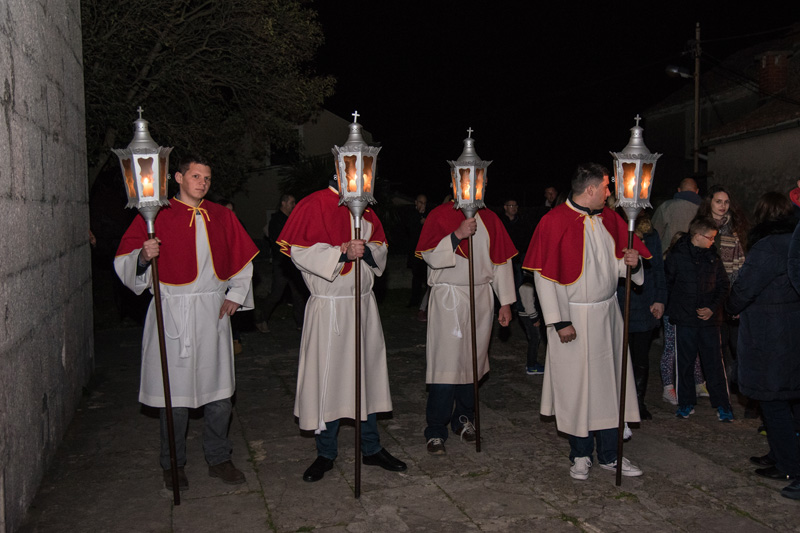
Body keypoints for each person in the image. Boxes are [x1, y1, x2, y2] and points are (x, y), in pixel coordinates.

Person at [115, 155, 259, 490]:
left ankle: (219, 457)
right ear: (178, 177)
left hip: (212, 312)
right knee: (174, 397)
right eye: (196, 176)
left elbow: (242, 262)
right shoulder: (155, 215)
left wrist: (236, 295)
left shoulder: (221, 215)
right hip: (171, 312)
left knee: (220, 395)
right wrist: (142, 256)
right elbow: (125, 262)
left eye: (207, 178)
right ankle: (173, 464)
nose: (202, 183)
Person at [524, 162, 648, 480]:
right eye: (606, 187)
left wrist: (630, 262)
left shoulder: (610, 219)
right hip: (572, 317)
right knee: (577, 389)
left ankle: (609, 456)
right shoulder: (552, 222)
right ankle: (580, 455)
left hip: (607, 315)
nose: (610, 193)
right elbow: (543, 278)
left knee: (609, 386)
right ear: (590, 189)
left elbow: (620, 265)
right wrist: (559, 321)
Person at [277, 179, 407, 482]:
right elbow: (299, 251)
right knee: (328, 379)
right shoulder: (313, 203)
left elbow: (381, 247)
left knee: (367, 377)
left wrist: (366, 250)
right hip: (329, 307)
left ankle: (371, 448)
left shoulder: (365, 205)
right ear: (340, 168)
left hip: (362, 305)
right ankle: (325, 453)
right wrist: (341, 253)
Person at [416, 199, 516, 455]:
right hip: (448, 296)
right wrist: (457, 235)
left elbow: (501, 262)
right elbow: (429, 256)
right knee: (446, 365)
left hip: (481, 297)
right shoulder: (439, 215)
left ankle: (463, 419)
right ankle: (436, 429)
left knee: (473, 363)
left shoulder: (491, 218)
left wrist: (505, 302)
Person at [727, 192, 800, 500]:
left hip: (771, 335)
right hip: (789, 331)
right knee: (787, 397)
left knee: (774, 400)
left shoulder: (769, 246)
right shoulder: (792, 242)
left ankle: (792, 466)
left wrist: (731, 303)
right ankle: (780, 458)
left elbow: (746, 285)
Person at [665, 217, 733, 421]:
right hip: (685, 319)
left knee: (714, 363)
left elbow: (723, 285)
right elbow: (667, 284)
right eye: (710, 238)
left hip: (710, 321)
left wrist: (712, 309)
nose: (713, 241)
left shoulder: (713, 257)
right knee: (684, 363)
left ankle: (723, 405)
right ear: (697, 236)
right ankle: (685, 403)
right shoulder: (677, 256)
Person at [652, 178, 704, 405]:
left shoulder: (666, 208)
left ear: (678, 190)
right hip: (682, 289)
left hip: (669, 278)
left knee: (675, 343)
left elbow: (653, 234)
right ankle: (693, 383)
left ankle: (680, 385)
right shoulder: (702, 209)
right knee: (688, 340)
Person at [615, 211, 666, 420]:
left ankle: (638, 401)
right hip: (619, 300)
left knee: (640, 356)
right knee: (619, 355)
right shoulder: (614, 232)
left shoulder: (651, 235)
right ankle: (618, 401)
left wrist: (660, 299)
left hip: (645, 301)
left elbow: (658, 270)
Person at [696, 185, 748, 391]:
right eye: (718, 201)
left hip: (731, 294)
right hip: (708, 293)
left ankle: (736, 384)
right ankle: (717, 385)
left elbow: (742, 264)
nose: (723, 206)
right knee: (715, 344)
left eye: (726, 202)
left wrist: (738, 297)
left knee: (736, 344)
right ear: (710, 202)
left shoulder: (736, 229)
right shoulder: (700, 227)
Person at [257, 194, 306, 332]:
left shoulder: (290, 219)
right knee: (277, 294)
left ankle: (301, 324)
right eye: (292, 202)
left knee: (298, 295)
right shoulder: (277, 220)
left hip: (292, 262)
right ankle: (261, 319)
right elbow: (280, 242)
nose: (294, 205)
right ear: (283, 203)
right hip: (281, 263)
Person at [652, 177, 702, 249]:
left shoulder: (666, 207)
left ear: (679, 190)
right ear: (697, 191)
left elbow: (655, 233)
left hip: (669, 254)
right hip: (694, 256)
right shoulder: (704, 209)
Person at [406, 194, 429, 312]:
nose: (422, 205)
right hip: (415, 252)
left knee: (427, 278)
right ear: (416, 202)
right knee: (416, 278)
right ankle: (414, 301)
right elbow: (410, 230)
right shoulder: (411, 214)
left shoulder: (428, 215)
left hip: (425, 252)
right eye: (420, 202)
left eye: (424, 203)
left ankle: (426, 304)